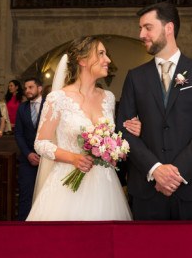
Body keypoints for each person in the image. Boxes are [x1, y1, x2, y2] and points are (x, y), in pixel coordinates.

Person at [117, 2, 192, 220]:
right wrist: (155, 169)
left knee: (191, 253)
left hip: (190, 185)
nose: (141, 34)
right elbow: (123, 130)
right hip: (147, 188)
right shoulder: (135, 77)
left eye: (147, 27)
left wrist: (175, 173)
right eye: (140, 28)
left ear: (168, 28)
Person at [27, 36, 141, 220]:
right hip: (66, 182)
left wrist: (116, 145)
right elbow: (41, 143)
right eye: (101, 54)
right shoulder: (58, 98)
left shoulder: (109, 97)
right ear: (82, 60)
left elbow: (111, 136)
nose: (108, 60)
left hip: (105, 183)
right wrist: (73, 157)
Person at [14, 76, 45, 220]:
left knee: (45, 194)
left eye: (30, 87)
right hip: (28, 160)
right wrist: (28, 154)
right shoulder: (22, 108)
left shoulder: (49, 105)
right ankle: (23, 227)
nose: (27, 91)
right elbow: (19, 134)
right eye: (26, 88)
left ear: (40, 88)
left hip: (48, 159)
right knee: (25, 194)